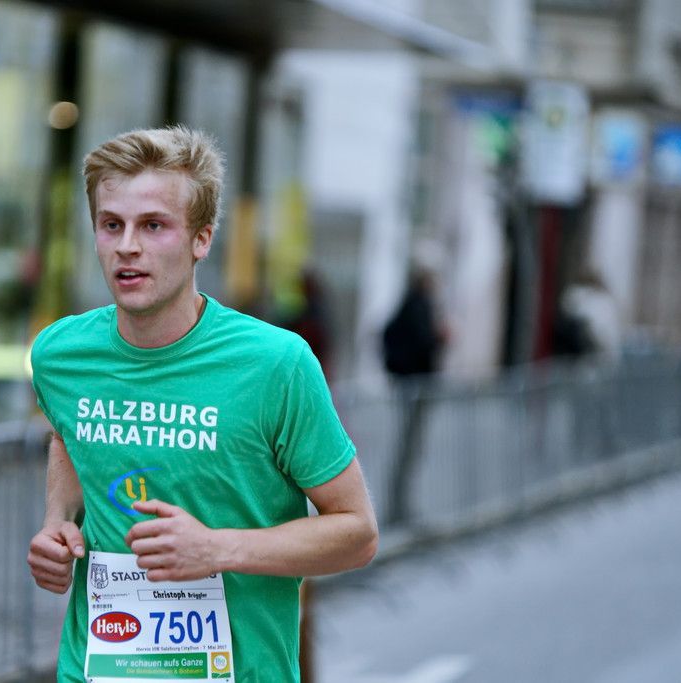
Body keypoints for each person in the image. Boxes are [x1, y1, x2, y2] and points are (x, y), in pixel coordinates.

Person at [27, 126, 378, 682]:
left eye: (154, 226)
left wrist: (216, 549)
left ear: (202, 239)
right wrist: (57, 522)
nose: (127, 246)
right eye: (111, 224)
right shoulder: (59, 354)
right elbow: (69, 436)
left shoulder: (276, 364)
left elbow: (357, 532)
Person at [381, 252, 448, 524]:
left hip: (413, 383)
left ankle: (399, 504)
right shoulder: (418, 304)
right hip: (415, 384)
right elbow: (422, 342)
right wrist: (439, 337)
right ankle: (397, 506)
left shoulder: (412, 302)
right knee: (408, 448)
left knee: (409, 448)